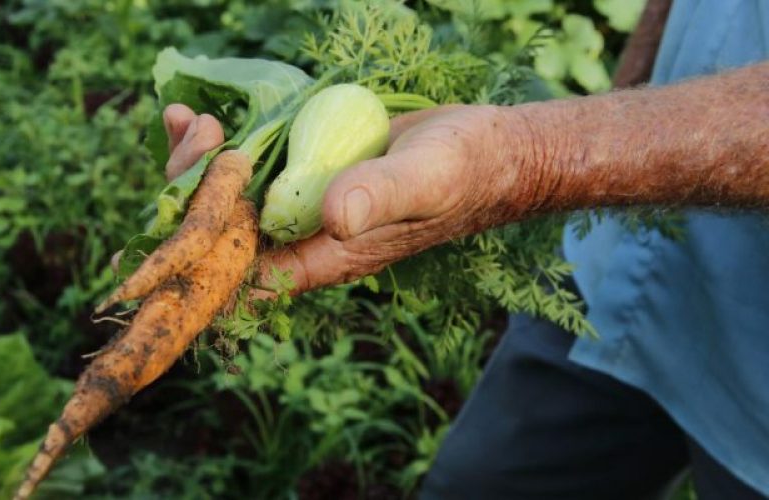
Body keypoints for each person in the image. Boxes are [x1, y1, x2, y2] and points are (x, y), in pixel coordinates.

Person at [158, 0, 769, 497]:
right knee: (479, 483)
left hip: (754, 382)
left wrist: (538, 157)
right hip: (607, 278)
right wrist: (622, 101)